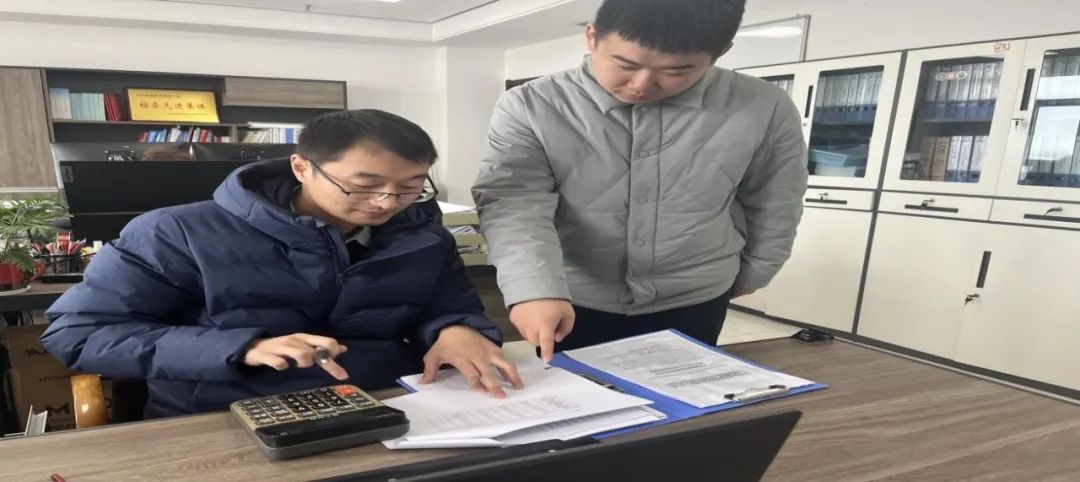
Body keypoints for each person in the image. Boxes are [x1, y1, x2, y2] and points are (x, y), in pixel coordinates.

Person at [42, 109, 523, 418]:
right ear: (301, 167)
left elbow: (448, 306)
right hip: (223, 412)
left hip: (384, 403)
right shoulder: (174, 233)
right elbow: (78, 333)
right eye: (364, 185)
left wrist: (455, 328)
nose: (386, 202)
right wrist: (242, 347)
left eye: (411, 187)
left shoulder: (421, 234)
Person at [472, 0, 808, 361]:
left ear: (721, 52)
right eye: (625, 64)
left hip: (697, 293)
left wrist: (756, 271)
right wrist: (535, 288)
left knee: (687, 391)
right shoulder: (532, 105)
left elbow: (777, 198)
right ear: (592, 37)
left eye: (677, 71)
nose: (641, 84)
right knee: (576, 392)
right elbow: (514, 202)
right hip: (571, 295)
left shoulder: (763, 105)